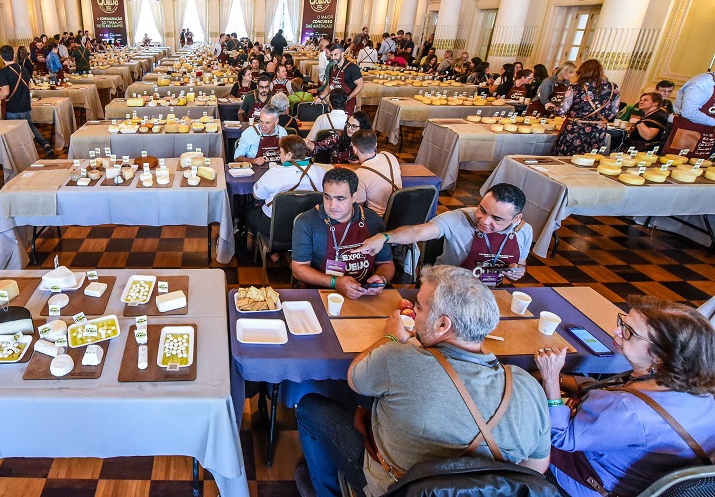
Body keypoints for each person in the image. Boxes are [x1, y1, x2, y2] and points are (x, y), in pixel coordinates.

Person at [296, 265, 551, 497]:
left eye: (419, 307)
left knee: (309, 407)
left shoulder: (399, 358)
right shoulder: (528, 387)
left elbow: (355, 377)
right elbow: (535, 468)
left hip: (396, 490)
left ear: (442, 324)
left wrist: (391, 338)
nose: (415, 314)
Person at [535, 296, 715, 497]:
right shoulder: (704, 395)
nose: (616, 331)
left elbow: (561, 437)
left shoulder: (627, 409)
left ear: (659, 356)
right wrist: (561, 379)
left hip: (584, 483)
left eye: (629, 332)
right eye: (622, 322)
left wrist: (550, 378)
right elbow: (613, 393)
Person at [357, 183, 531, 284]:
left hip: (487, 291)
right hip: (445, 287)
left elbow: (521, 264)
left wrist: (517, 271)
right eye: (482, 210)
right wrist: (385, 237)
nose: (485, 221)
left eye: (496, 218)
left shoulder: (524, 231)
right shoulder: (458, 218)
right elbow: (417, 232)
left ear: (516, 218)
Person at [291, 167, 394, 299]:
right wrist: (335, 282)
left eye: (340, 199)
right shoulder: (307, 222)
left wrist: (381, 279)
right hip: (322, 292)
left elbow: (386, 263)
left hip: (364, 293)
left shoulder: (372, 220)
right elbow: (299, 268)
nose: (332, 206)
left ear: (354, 197)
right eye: (327, 197)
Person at [247, 135, 326, 242]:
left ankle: (264, 247)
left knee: (249, 214)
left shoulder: (273, 173)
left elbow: (257, 196)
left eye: (281, 152)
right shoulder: (321, 172)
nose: (279, 155)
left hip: (276, 228)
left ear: (289, 154)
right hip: (310, 228)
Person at [551, 59, 620, 156]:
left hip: (575, 130)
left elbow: (562, 110)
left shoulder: (575, 87)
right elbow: (614, 111)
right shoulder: (613, 87)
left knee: (568, 159)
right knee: (589, 159)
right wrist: (598, 119)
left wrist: (552, 108)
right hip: (598, 131)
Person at [0, 45, 51, 157]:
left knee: (15, 132)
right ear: (14, 55)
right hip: (25, 104)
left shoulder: (3, 72)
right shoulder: (23, 69)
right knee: (30, 126)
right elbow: (29, 86)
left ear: (1, 57)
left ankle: (22, 155)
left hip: (13, 107)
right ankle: (44, 143)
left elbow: (5, 92)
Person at [664, 69, 714, 157]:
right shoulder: (702, 83)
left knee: (697, 165)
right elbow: (689, 112)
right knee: (676, 162)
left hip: (706, 135)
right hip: (685, 132)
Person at [350, 129, 401, 214]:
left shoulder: (359, 174)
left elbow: (358, 208)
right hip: (400, 212)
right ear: (375, 145)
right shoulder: (389, 156)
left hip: (379, 217)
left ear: (354, 149)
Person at [318, 44, 363, 113]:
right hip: (334, 105)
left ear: (342, 53)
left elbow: (360, 84)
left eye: (335, 55)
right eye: (331, 55)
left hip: (347, 104)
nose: (333, 58)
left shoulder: (352, 68)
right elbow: (330, 86)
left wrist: (347, 98)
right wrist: (320, 97)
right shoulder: (332, 68)